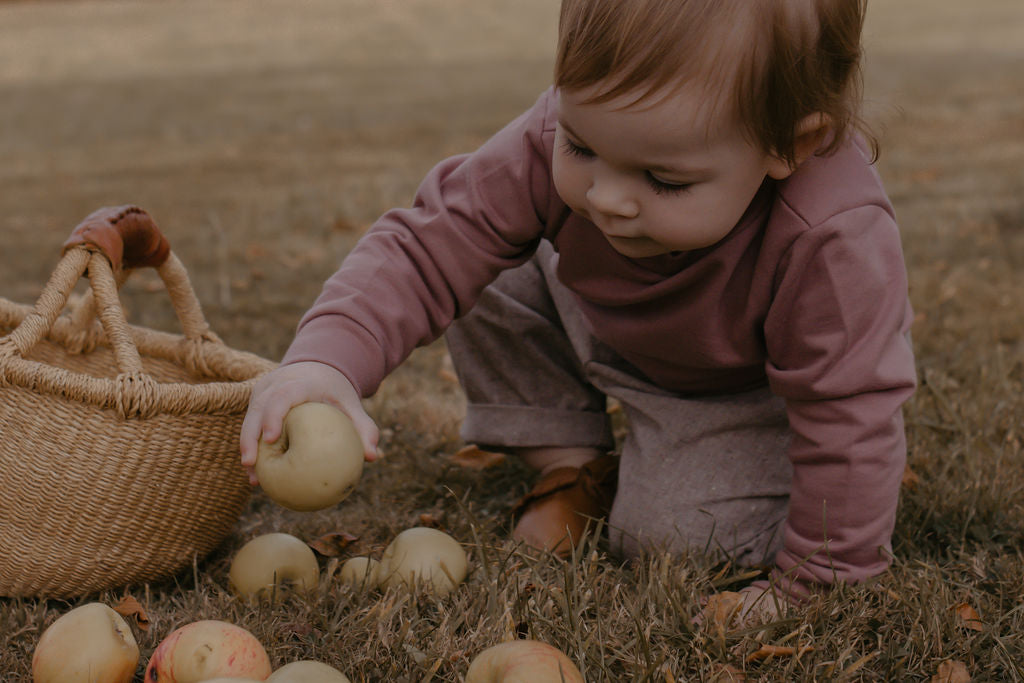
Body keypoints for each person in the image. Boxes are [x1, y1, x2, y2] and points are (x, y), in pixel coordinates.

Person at [240, 0, 916, 617]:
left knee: (673, 535)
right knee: (481, 261)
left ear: (788, 146)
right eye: (581, 146)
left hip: (742, 389)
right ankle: (574, 465)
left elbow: (850, 412)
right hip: (605, 318)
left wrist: (820, 581)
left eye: (663, 179)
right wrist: (326, 362)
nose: (605, 198)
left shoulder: (831, 235)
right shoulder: (566, 140)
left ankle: (699, 469)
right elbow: (427, 245)